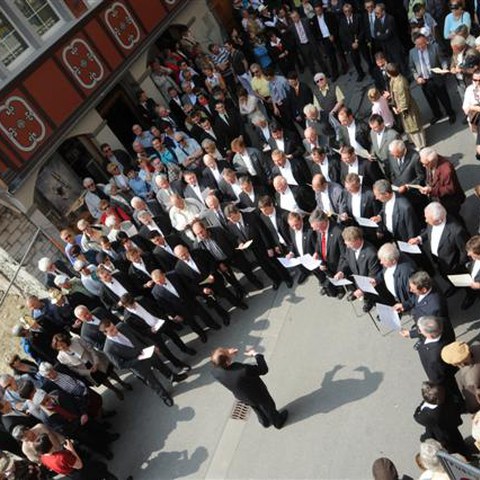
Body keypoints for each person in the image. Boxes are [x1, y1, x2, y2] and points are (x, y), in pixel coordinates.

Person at [211, 347, 288, 429]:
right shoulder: (243, 370)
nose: (228, 350)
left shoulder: (215, 372)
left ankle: (264, 421)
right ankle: (277, 421)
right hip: (257, 393)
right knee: (268, 406)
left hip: (242, 396)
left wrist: (228, 355)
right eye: (227, 352)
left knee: (256, 408)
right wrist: (256, 354)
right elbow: (263, 370)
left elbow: (222, 363)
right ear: (227, 361)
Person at [409, 33, 456, 125]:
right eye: (419, 44)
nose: (421, 46)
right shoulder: (412, 52)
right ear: (415, 44)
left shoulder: (435, 47)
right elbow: (411, 67)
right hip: (424, 81)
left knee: (444, 97)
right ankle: (437, 114)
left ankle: (450, 113)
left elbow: (442, 60)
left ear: (426, 40)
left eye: (423, 43)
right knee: (431, 100)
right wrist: (417, 77)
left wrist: (445, 68)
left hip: (436, 77)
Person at [413, 382, 467, 455]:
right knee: (457, 440)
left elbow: (417, 417)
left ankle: (462, 455)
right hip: (451, 426)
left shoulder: (431, 415)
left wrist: (418, 409)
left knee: (451, 447)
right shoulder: (444, 400)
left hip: (442, 434)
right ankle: (465, 451)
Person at [386, 62, 426, 150]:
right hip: (401, 107)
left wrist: (400, 109)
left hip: (408, 109)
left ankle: (421, 145)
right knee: (409, 126)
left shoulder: (400, 82)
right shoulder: (393, 80)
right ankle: (413, 141)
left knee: (414, 126)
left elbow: (404, 98)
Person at [441, 341, 480, 414]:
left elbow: (472, 401)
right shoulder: (476, 345)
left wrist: (472, 410)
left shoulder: (470, 380)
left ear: (455, 364)